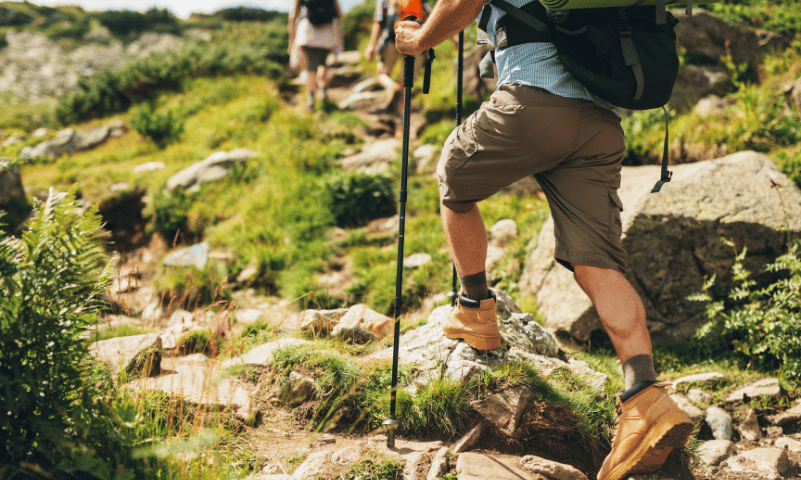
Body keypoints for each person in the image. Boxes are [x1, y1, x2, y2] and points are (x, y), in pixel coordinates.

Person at [394, 1, 693, 480]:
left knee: (453, 172)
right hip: (598, 124)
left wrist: (418, 38)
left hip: (534, 102)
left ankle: (474, 309)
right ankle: (645, 396)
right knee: (597, 261)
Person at [363, 0, 431, 113]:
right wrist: (453, 38)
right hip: (414, 38)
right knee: (406, 84)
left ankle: (391, 86)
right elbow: (431, 16)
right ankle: (403, 121)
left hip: (391, 37)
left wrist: (371, 46)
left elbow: (378, 21)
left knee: (382, 73)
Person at [289, 0, 344, 111]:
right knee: (323, 64)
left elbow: (293, 15)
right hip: (327, 32)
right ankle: (323, 92)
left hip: (308, 32)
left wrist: (291, 41)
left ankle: (311, 101)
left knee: (311, 68)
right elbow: (340, 14)